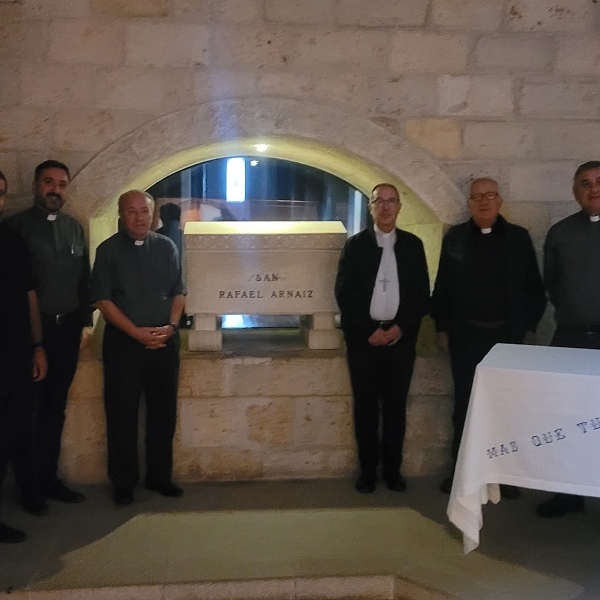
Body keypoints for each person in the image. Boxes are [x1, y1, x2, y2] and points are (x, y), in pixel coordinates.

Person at [431, 177, 546, 497]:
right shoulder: (455, 238)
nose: (484, 201)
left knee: (506, 408)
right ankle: (461, 472)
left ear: (500, 202)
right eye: (477, 196)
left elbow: (533, 287)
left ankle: (506, 476)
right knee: (465, 406)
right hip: (466, 336)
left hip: (508, 338)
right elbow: (442, 286)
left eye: (490, 195)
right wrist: (441, 326)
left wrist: (530, 328)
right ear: (469, 204)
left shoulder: (519, 238)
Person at [91, 190, 185, 506]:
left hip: (163, 343)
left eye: (144, 210)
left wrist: (170, 327)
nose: (139, 217)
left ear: (152, 213)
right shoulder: (107, 251)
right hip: (123, 345)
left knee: (163, 414)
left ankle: (159, 477)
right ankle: (123, 482)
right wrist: (136, 333)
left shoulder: (167, 247)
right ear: (121, 215)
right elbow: (103, 300)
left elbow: (178, 292)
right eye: (131, 211)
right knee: (122, 415)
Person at [335, 183, 430, 493]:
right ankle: (367, 471)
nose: (386, 207)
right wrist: (368, 330)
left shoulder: (413, 246)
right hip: (365, 340)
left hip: (400, 340)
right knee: (365, 407)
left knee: (395, 407)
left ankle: (392, 470)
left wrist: (401, 327)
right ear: (371, 207)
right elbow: (345, 293)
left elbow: (419, 294)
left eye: (391, 201)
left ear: (399, 206)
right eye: (379, 202)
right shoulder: (355, 246)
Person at [6, 160, 90, 505]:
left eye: (61, 184)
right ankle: (28, 489)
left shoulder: (74, 228)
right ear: (35, 185)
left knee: (55, 408)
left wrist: (83, 325)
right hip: (28, 336)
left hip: (66, 331)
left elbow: (83, 278)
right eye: (48, 182)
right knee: (26, 411)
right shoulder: (15, 229)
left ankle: (48, 478)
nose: (55, 189)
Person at [536, 160, 600, 518]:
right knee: (565, 420)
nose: (594, 189)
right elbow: (553, 284)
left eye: (598, 181)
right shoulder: (561, 232)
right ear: (574, 191)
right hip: (572, 337)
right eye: (585, 183)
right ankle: (567, 494)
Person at [0, 170, 47, 542]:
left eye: (1, 193)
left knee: (15, 427)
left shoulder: (13, 240)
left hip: (14, 353)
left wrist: (37, 345)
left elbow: (30, 295)